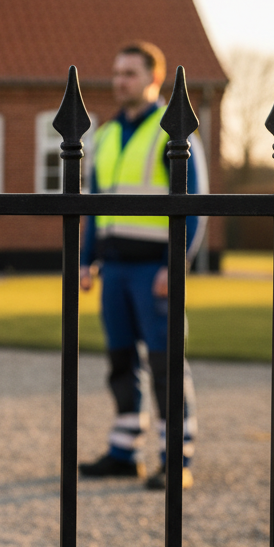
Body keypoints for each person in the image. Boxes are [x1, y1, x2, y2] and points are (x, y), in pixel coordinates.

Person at [78, 42, 208, 490]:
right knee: (120, 361)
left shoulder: (173, 129)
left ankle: (177, 460)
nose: (120, 81)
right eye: (116, 73)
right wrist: (85, 259)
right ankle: (123, 451)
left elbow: (194, 205)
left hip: (155, 269)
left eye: (130, 73)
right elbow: (96, 206)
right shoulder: (108, 134)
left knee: (165, 363)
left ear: (155, 79)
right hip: (113, 268)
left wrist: (175, 265)